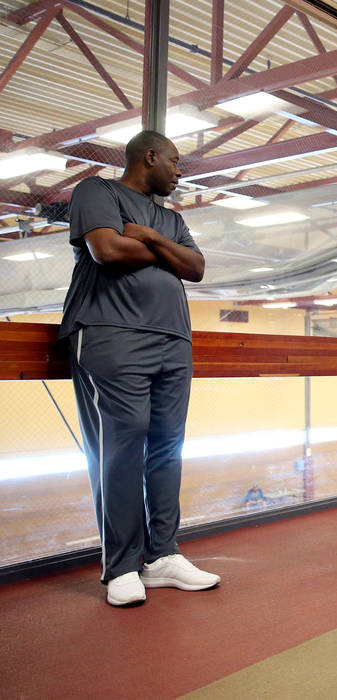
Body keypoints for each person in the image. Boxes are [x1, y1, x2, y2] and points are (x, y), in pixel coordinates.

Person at [59, 130, 219, 607]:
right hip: (112, 333)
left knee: (167, 447)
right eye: (174, 161)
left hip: (173, 338)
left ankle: (163, 556)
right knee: (123, 444)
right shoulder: (97, 191)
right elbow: (106, 250)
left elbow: (196, 267)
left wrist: (147, 235)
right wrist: (167, 251)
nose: (179, 169)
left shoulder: (170, 218)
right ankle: (122, 566)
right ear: (149, 157)